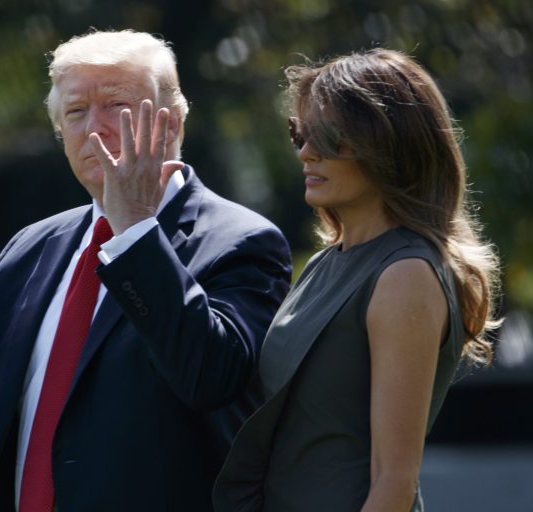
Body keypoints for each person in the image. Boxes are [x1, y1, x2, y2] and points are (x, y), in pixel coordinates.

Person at [0, 29, 292, 512]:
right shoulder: (36, 245)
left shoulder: (240, 241)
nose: (95, 128)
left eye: (117, 105)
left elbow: (209, 377)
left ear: (173, 123)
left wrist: (135, 231)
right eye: (76, 112)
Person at [212, 48, 501, 512]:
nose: (305, 151)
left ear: (391, 145)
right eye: (300, 133)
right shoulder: (325, 263)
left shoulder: (404, 274)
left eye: (329, 137)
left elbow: (394, 483)